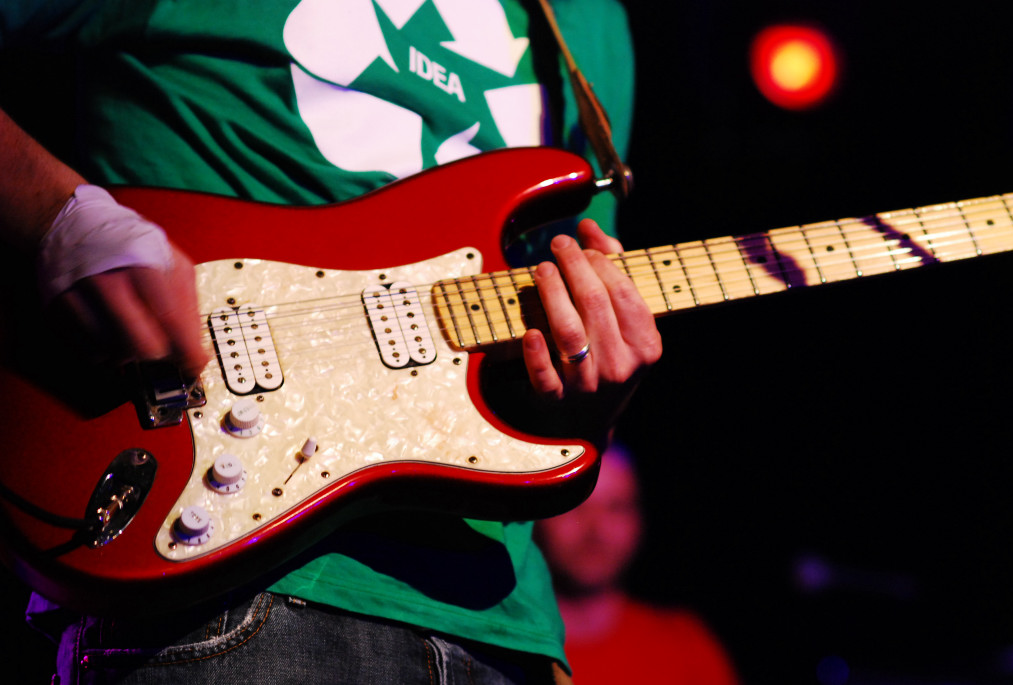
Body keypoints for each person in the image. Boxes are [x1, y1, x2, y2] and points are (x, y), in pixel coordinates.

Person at [0, 1, 661, 683]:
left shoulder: (587, 21)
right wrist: (55, 217)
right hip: (215, 590)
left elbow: (569, 341)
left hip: (497, 621)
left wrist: (592, 386)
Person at [535, 444, 740, 684]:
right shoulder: (506, 651)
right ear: (538, 519)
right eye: (576, 506)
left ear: (639, 521)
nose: (596, 530)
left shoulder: (686, 647)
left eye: (616, 507)